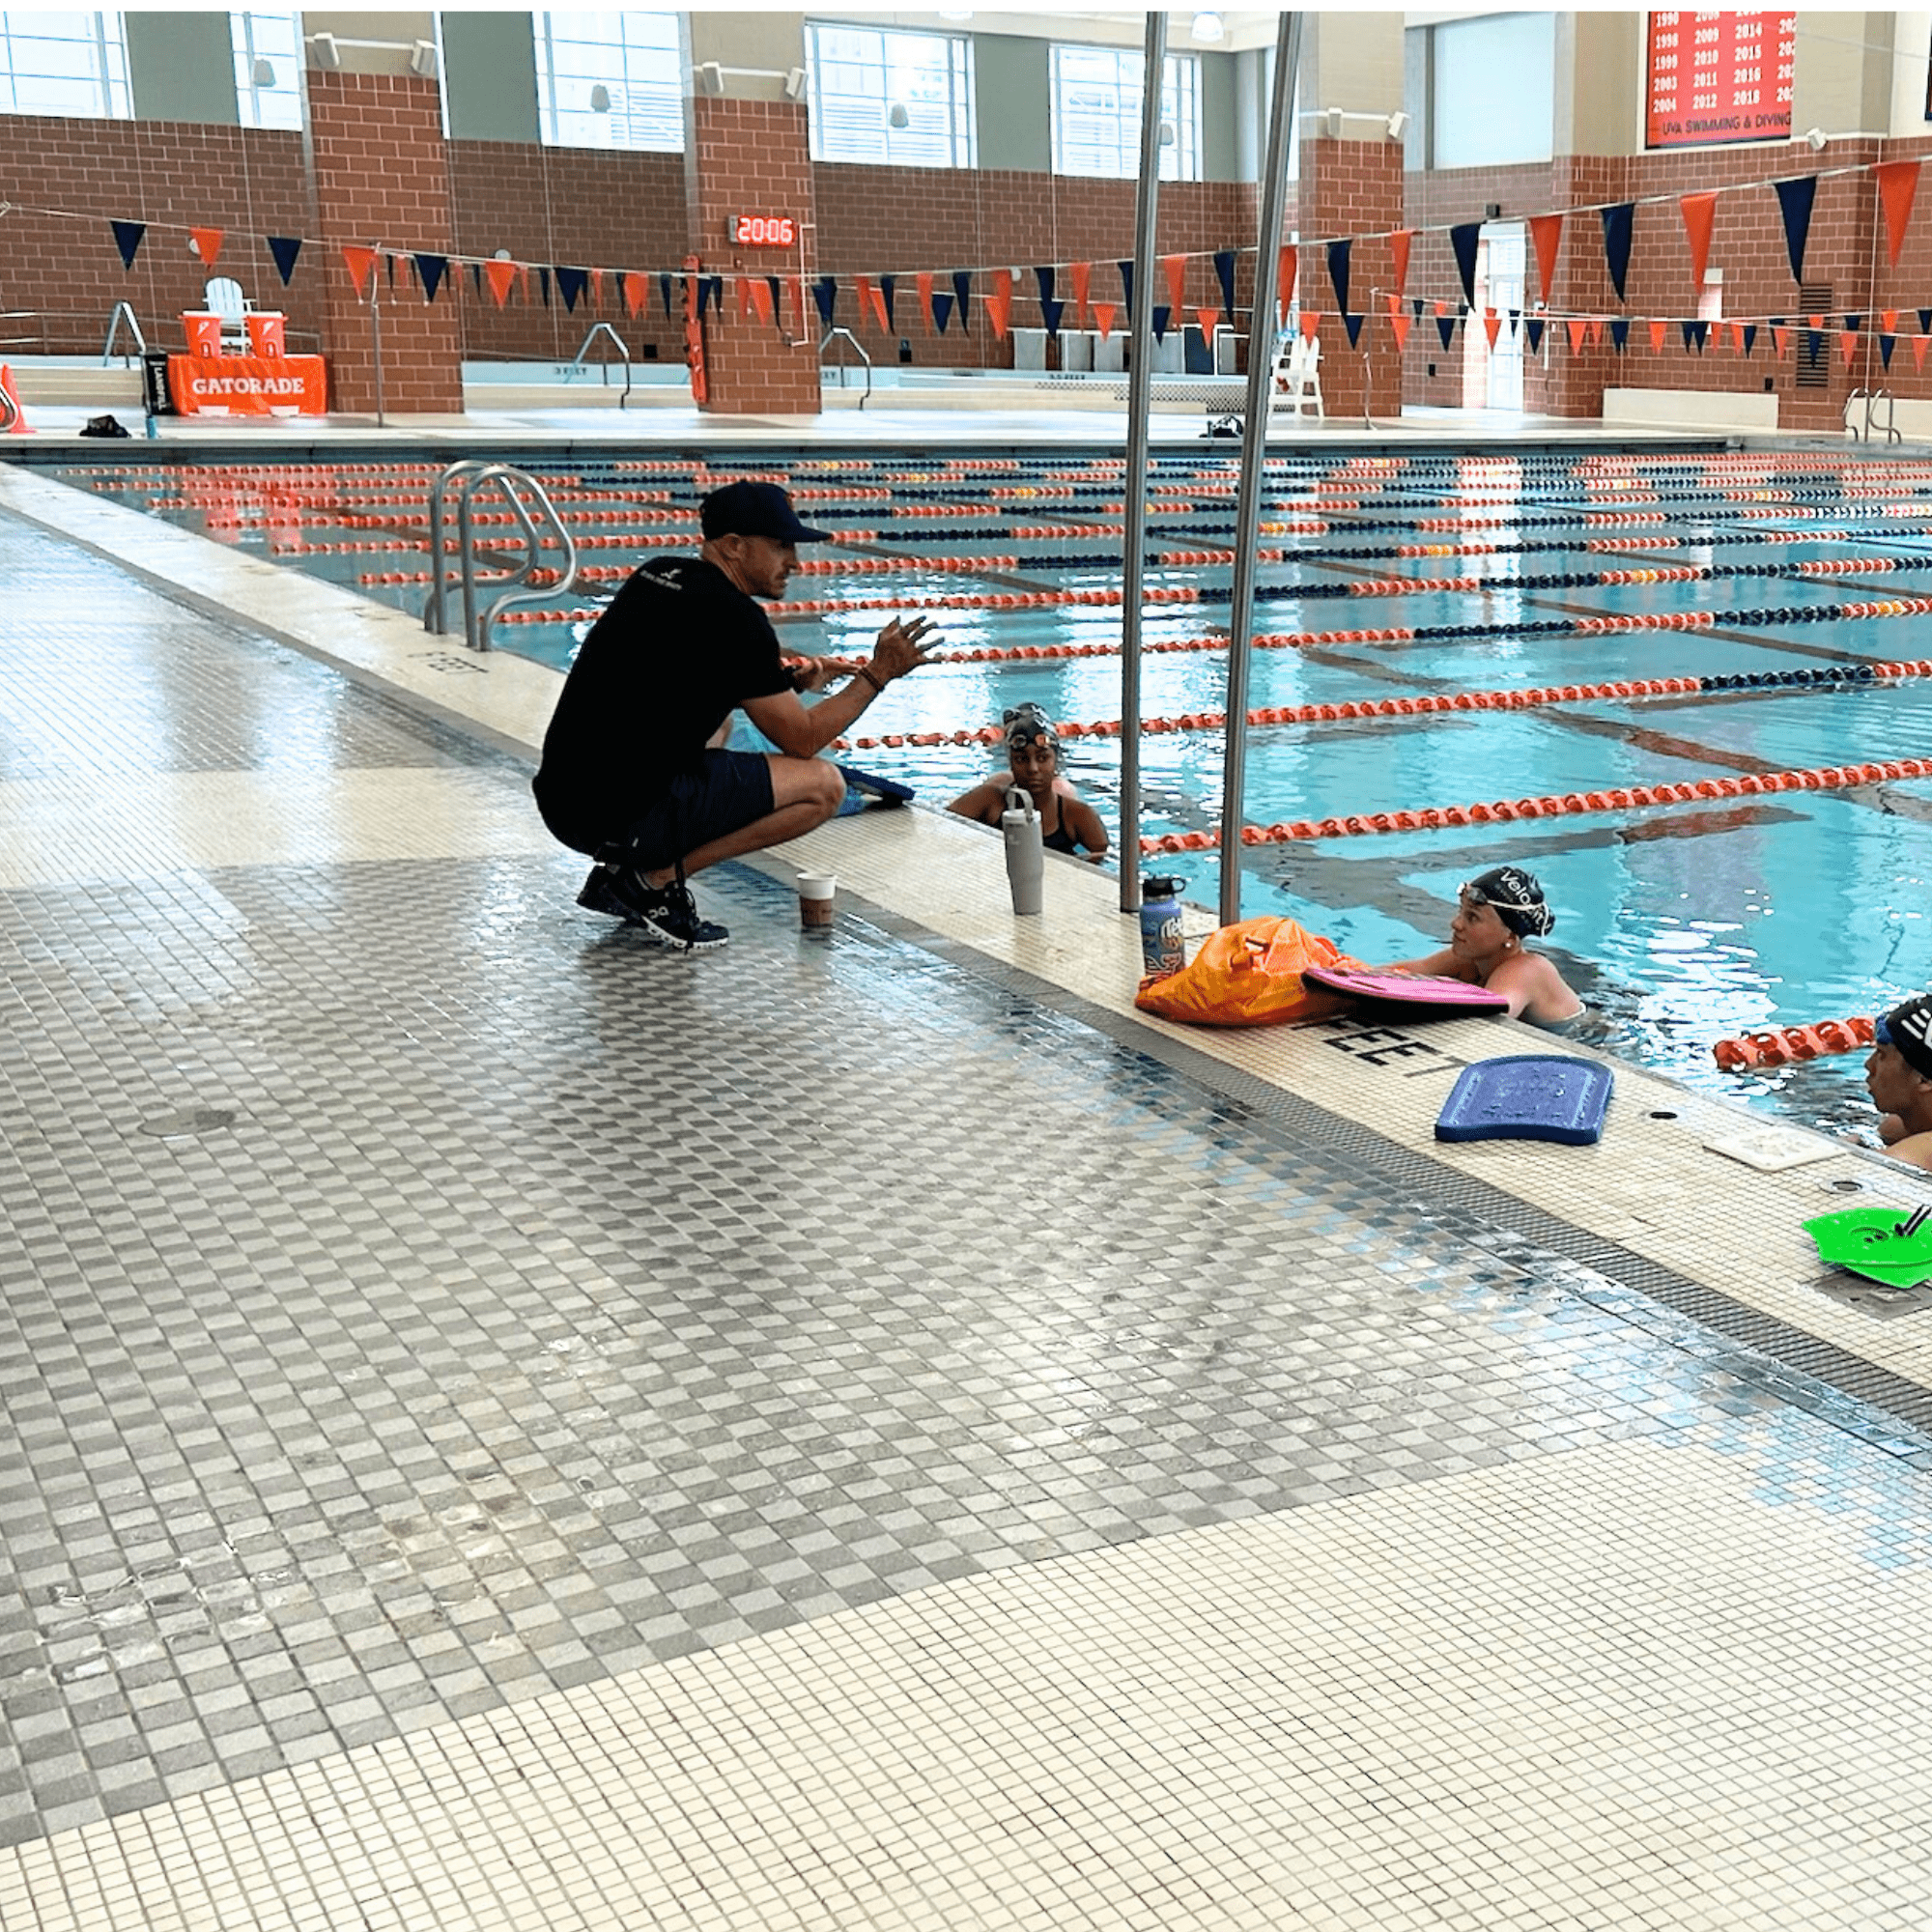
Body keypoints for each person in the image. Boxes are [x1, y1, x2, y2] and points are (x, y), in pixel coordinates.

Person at [533, 479, 940, 950]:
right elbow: (803, 740)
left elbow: (684, 675)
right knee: (824, 786)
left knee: (720, 721)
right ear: (734, 547)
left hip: (565, 804)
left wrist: (788, 681)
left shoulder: (657, 574)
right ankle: (652, 882)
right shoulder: (737, 619)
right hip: (620, 815)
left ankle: (626, 869)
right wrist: (878, 673)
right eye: (780, 546)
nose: (795, 563)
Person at [1385, 865, 1583, 1025]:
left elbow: (1484, 1023)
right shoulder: (1470, 958)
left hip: (1591, 1040)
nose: (1456, 924)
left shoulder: (1528, 969)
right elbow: (1403, 972)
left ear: (1511, 937)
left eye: (1472, 917)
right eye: (1460, 911)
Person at [947, 704, 1109, 863]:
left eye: (1042, 758)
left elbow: (1104, 871)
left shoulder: (1078, 815)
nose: (1033, 769)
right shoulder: (989, 799)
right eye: (1021, 759)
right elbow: (938, 827)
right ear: (1011, 762)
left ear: (1057, 762)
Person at [1865, 993, 1932, 1170]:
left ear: (1924, 1079)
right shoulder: (1900, 1126)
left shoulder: (1922, 1151)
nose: (1868, 1065)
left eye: (1882, 1055)